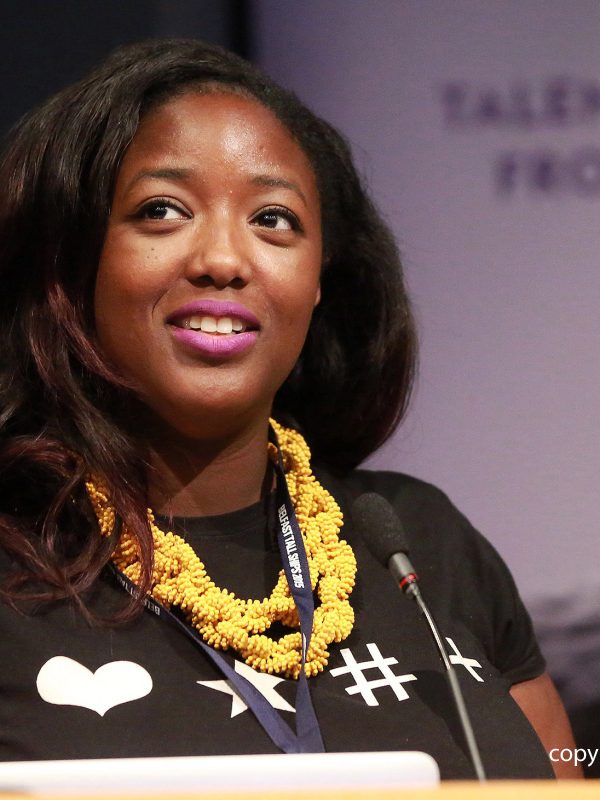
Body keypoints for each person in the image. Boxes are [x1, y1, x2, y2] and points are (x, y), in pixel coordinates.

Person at [0, 39, 580, 779]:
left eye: (273, 219)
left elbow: (564, 778)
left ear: (318, 283)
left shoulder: (421, 546)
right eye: (162, 210)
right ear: (71, 262)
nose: (223, 258)